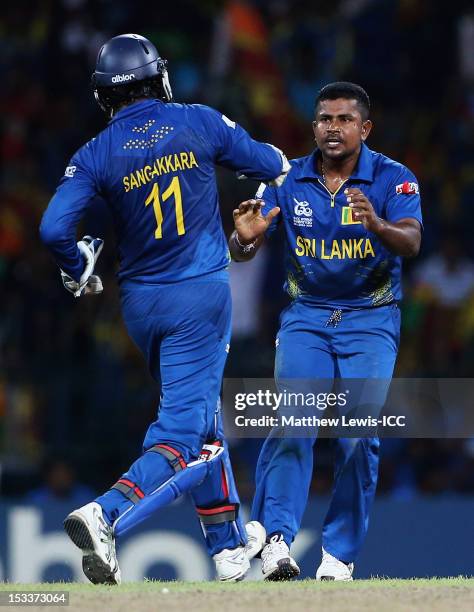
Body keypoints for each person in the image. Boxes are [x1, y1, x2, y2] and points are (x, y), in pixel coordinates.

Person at [40, 33, 290, 585]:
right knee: (185, 438)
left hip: (140, 306)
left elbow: (53, 228)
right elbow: (274, 165)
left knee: (201, 417)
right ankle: (106, 514)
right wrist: (268, 198)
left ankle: (227, 548)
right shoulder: (198, 121)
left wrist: (78, 263)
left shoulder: (95, 153)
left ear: (105, 96)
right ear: (160, 78)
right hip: (198, 297)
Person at [229, 82, 422, 580]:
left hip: (371, 319)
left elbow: (411, 241)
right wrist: (243, 242)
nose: (332, 129)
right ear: (313, 126)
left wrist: (377, 224)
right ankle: (276, 541)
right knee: (295, 423)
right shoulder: (284, 178)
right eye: (323, 120)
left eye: (343, 120)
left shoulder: (394, 179)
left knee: (359, 436)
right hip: (307, 316)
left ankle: (338, 556)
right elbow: (244, 242)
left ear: (365, 128)